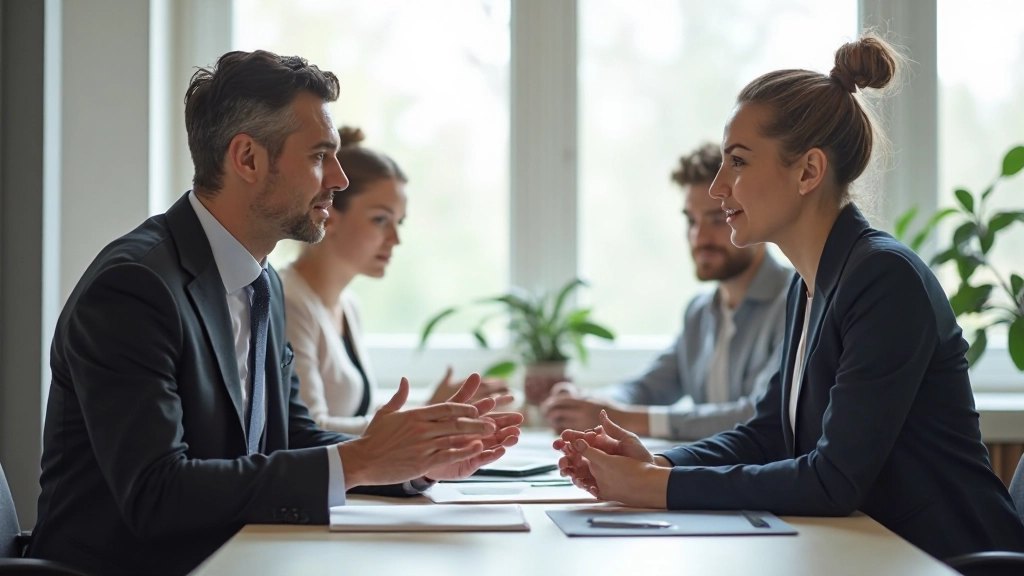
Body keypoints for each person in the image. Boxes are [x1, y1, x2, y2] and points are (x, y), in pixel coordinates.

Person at [28, 50, 522, 576]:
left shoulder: (261, 282)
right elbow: (157, 494)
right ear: (247, 159)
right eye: (319, 156)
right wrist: (361, 459)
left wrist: (412, 462)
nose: (339, 178)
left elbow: (295, 439)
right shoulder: (134, 288)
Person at [555, 36, 1024, 560]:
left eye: (737, 162)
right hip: (872, 554)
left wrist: (651, 487)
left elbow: (832, 480)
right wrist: (659, 464)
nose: (718, 187)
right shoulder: (809, 285)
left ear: (808, 171)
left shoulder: (885, 279)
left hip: (947, 559)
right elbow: (768, 435)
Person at [539, 143, 791, 440]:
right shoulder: (700, 313)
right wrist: (585, 405)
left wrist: (620, 418)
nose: (699, 237)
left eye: (718, 218)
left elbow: (758, 416)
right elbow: (648, 387)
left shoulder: (795, 301)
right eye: (691, 220)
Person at [281, 127, 507, 435]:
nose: (395, 238)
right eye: (380, 219)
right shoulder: (290, 302)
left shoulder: (347, 305)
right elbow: (310, 430)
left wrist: (430, 410)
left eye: (398, 222)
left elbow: (355, 417)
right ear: (329, 213)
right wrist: (423, 417)